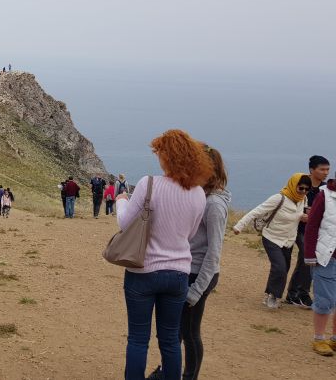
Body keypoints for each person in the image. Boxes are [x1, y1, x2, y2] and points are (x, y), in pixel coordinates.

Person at [115, 129, 212, 380]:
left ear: (167, 156)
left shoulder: (149, 184)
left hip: (143, 270)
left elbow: (125, 224)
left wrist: (121, 200)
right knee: (170, 340)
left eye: (159, 152)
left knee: (138, 339)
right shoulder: (199, 193)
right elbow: (189, 235)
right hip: (178, 273)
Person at [180, 144, 231, 380]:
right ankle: (168, 371)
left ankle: (190, 376)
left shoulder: (214, 205)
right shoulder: (202, 197)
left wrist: (196, 290)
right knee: (180, 331)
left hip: (199, 274)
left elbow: (214, 252)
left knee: (190, 332)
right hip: (189, 270)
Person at [233, 173, 312, 309]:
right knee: (280, 268)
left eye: (307, 189)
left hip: (288, 240)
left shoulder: (303, 200)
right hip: (271, 237)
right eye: (301, 188)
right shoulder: (278, 199)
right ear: (293, 185)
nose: (303, 191)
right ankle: (274, 297)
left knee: (283, 268)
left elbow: (297, 216)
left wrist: (303, 217)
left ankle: (269, 293)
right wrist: (239, 226)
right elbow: (256, 212)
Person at [287, 156, 330, 308]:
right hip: (298, 229)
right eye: (322, 169)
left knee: (309, 260)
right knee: (306, 255)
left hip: (319, 232)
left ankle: (297, 293)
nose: (326, 173)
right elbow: (287, 203)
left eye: (327, 169)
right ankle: (298, 293)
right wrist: (302, 214)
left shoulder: (326, 190)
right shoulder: (302, 185)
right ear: (312, 170)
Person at [303, 175, 336, 356]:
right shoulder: (324, 196)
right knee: (325, 300)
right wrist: (309, 255)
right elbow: (312, 226)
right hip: (326, 257)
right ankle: (319, 338)